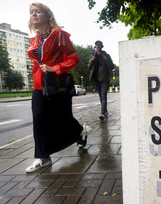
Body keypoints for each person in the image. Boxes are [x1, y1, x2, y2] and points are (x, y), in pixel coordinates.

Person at [25, 3, 92, 173]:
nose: (34, 14)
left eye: (38, 11)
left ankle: (80, 132)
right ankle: (43, 158)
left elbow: (73, 58)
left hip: (57, 84)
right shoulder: (35, 40)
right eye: (31, 12)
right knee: (39, 119)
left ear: (48, 16)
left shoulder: (59, 35)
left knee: (63, 119)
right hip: (40, 85)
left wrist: (54, 68)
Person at [88, 40, 114, 120]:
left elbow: (112, 67)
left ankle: (102, 113)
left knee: (103, 96)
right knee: (101, 96)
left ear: (102, 46)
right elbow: (89, 68)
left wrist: (106, 59)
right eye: (96, 45)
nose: (98, 46)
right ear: (95, 47)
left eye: (99, 45)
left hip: (104, 79)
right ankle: (105, 111)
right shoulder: (94, 56)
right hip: (96, 79)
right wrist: (92, 61)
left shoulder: (106, 55)